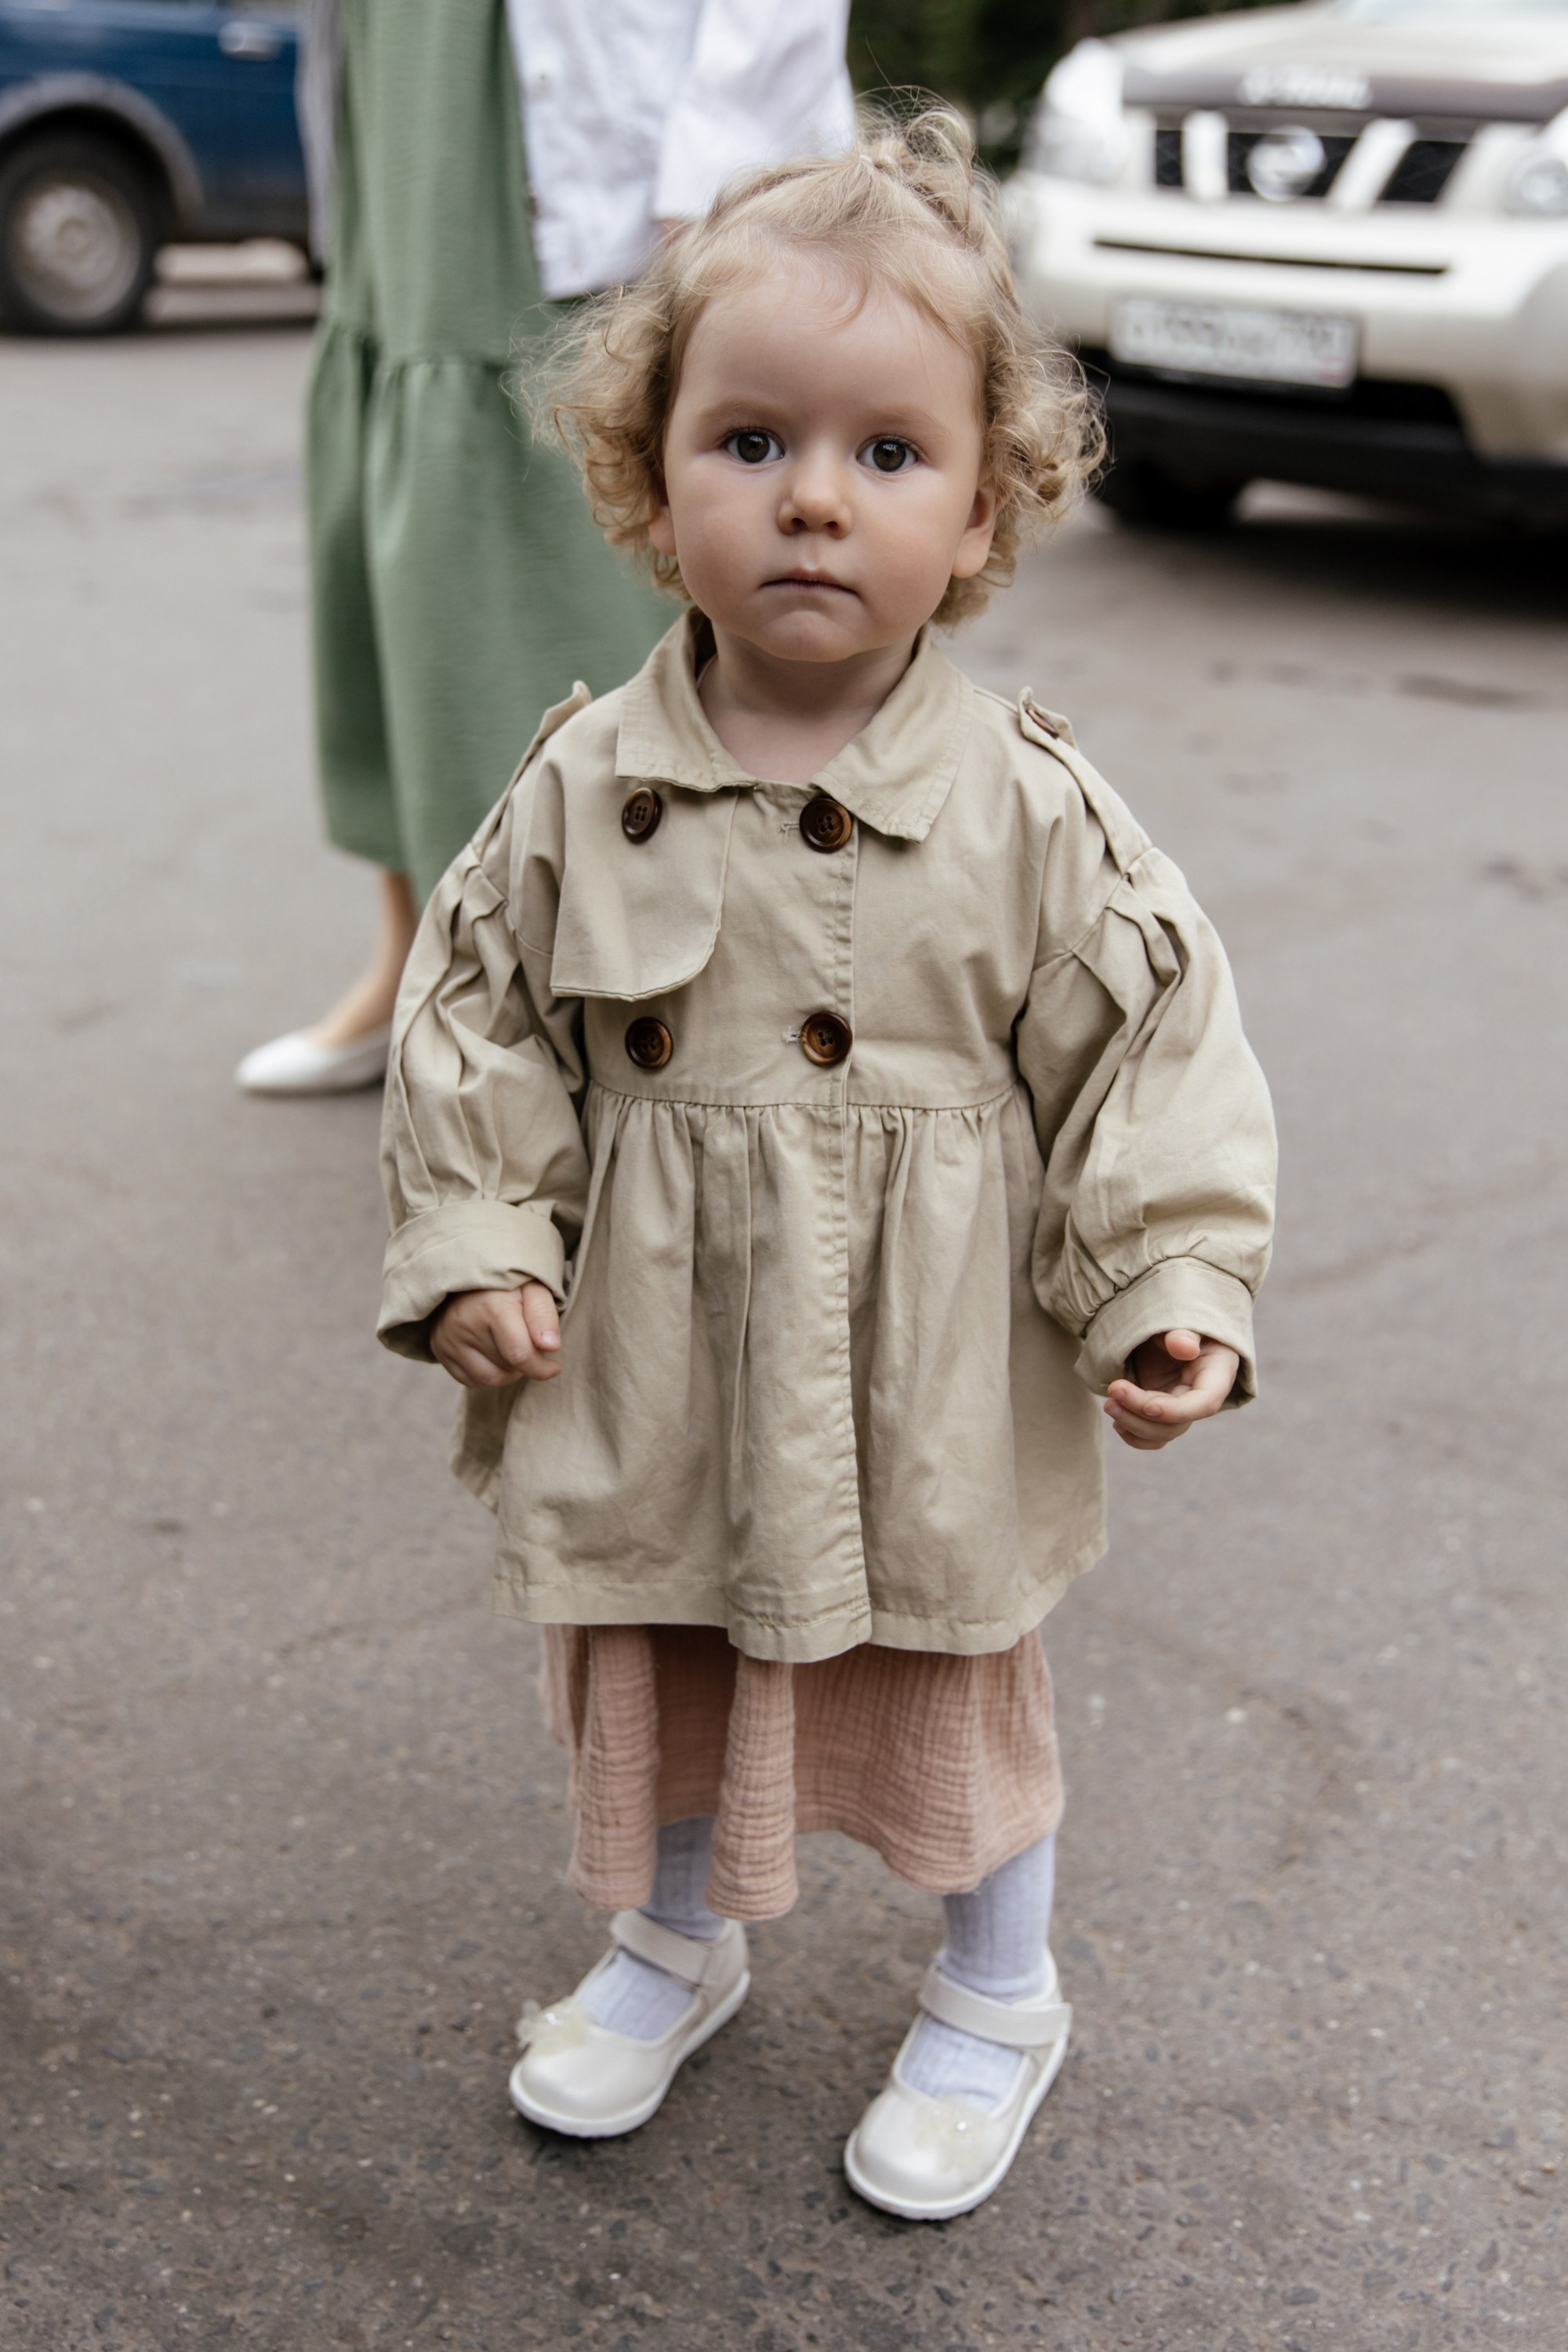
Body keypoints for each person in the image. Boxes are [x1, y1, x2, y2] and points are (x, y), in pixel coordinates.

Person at [375, 114, 1277, 2220]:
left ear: (983, 507)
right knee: (668, 1642)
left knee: (955, 1666)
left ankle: (998, 1989)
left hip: (928, 1370)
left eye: (886, 454)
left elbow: (1158, 1041)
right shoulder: (589, 783)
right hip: (665, 1356)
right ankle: (671, 1940)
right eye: (749, 437)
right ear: (646, 470)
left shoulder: (1032, 809)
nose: (809, 496)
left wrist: (1175, 1285)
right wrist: (486, 1235)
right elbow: (480, 1018)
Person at [238, 0, 855, 1096]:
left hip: (573, 76)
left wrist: (720, 152)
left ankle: (648, 1014)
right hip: (401, 49)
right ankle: (429, 962)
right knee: (411, 530)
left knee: (569, 538)